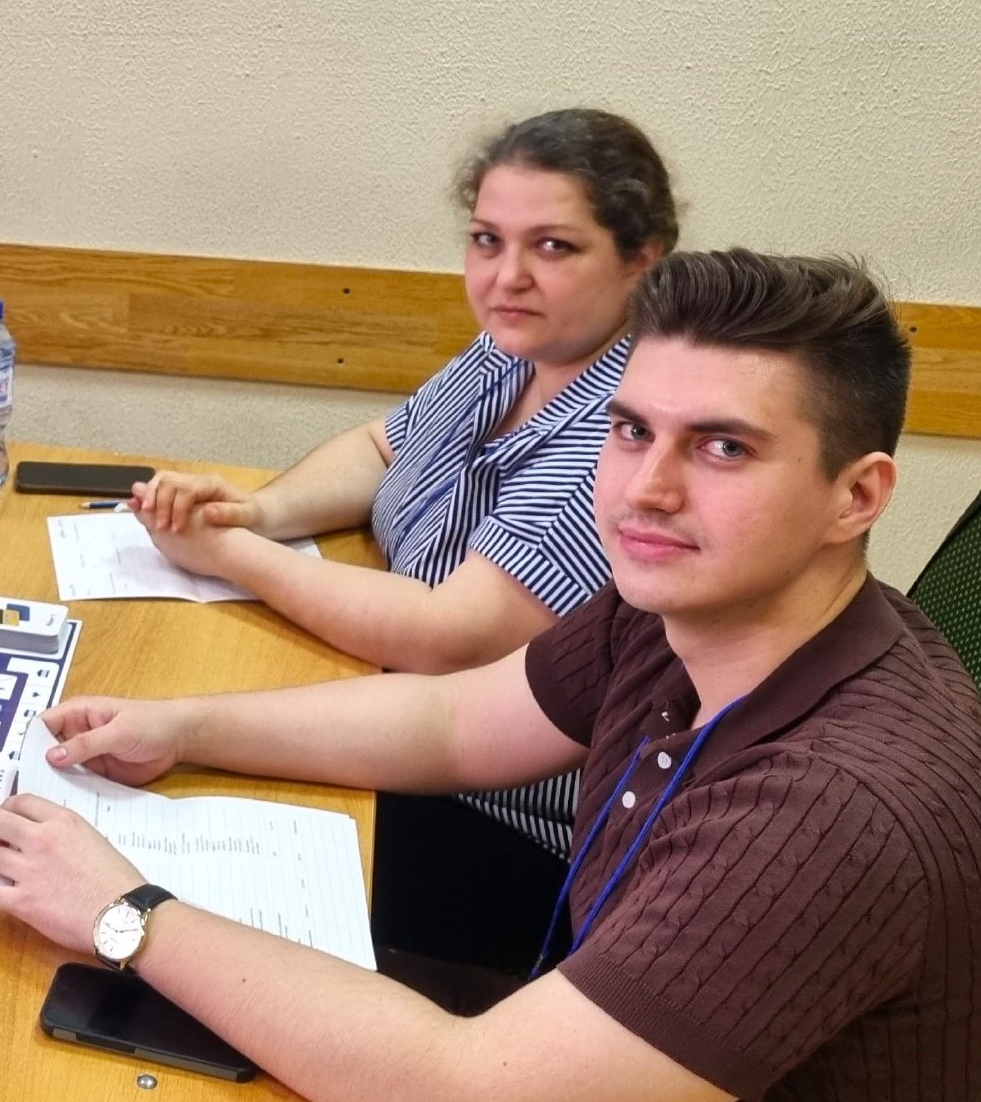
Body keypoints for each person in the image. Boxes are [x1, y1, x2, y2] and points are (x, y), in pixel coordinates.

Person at [0, 250, 981, 1101]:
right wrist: (183, 725)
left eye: (723, 448)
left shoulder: (826, 814)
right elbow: (452, 720)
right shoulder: (694, 608)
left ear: (856, 497)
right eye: (631, 430)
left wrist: (124, 912)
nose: (647, 489)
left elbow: (461, 1088)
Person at [135, 109, 678, 971]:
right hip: (397, 723)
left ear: (641, 257)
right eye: (487, 240)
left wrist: (229, 553)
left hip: (501, 828)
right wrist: (257, 514)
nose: (507, 276)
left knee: (174, 853)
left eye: (553, 247)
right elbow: (381, 447)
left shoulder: (623, 433)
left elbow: (444, 635)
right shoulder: (514, 350)